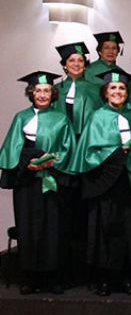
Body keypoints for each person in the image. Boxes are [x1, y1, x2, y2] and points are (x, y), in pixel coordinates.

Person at [68, 68, 131, 297]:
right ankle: (105, 279)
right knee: (105, 231)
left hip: (129, 179)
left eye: (122, 88)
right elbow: (89, 152)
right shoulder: (97, 117)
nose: (117, 91)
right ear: (105, 92)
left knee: (130, 231)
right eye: (113, 88)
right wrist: (114, 153)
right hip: (104, 182)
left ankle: (127, 278)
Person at [0, 71, 74, 294]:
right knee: (28, 228)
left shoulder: (61, 119)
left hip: (52, 181)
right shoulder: (21, 118)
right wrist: (27, 164)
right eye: (38, 91)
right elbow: (11, 149)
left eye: (47, 91)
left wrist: (51, 162)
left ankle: (53, 279)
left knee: (53, 228)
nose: (42, 95)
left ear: (53, 94)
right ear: (31, 93)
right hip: (27, 183)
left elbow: (68, 149)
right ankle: (29, 279)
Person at [53, 42, 101, 139]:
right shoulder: (55, 89)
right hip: (61, 137)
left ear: (84, 65)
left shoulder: (96, 89)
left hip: (87, 137)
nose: (76, 64)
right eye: (71, 60)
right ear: (65, 65)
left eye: (80, 60)